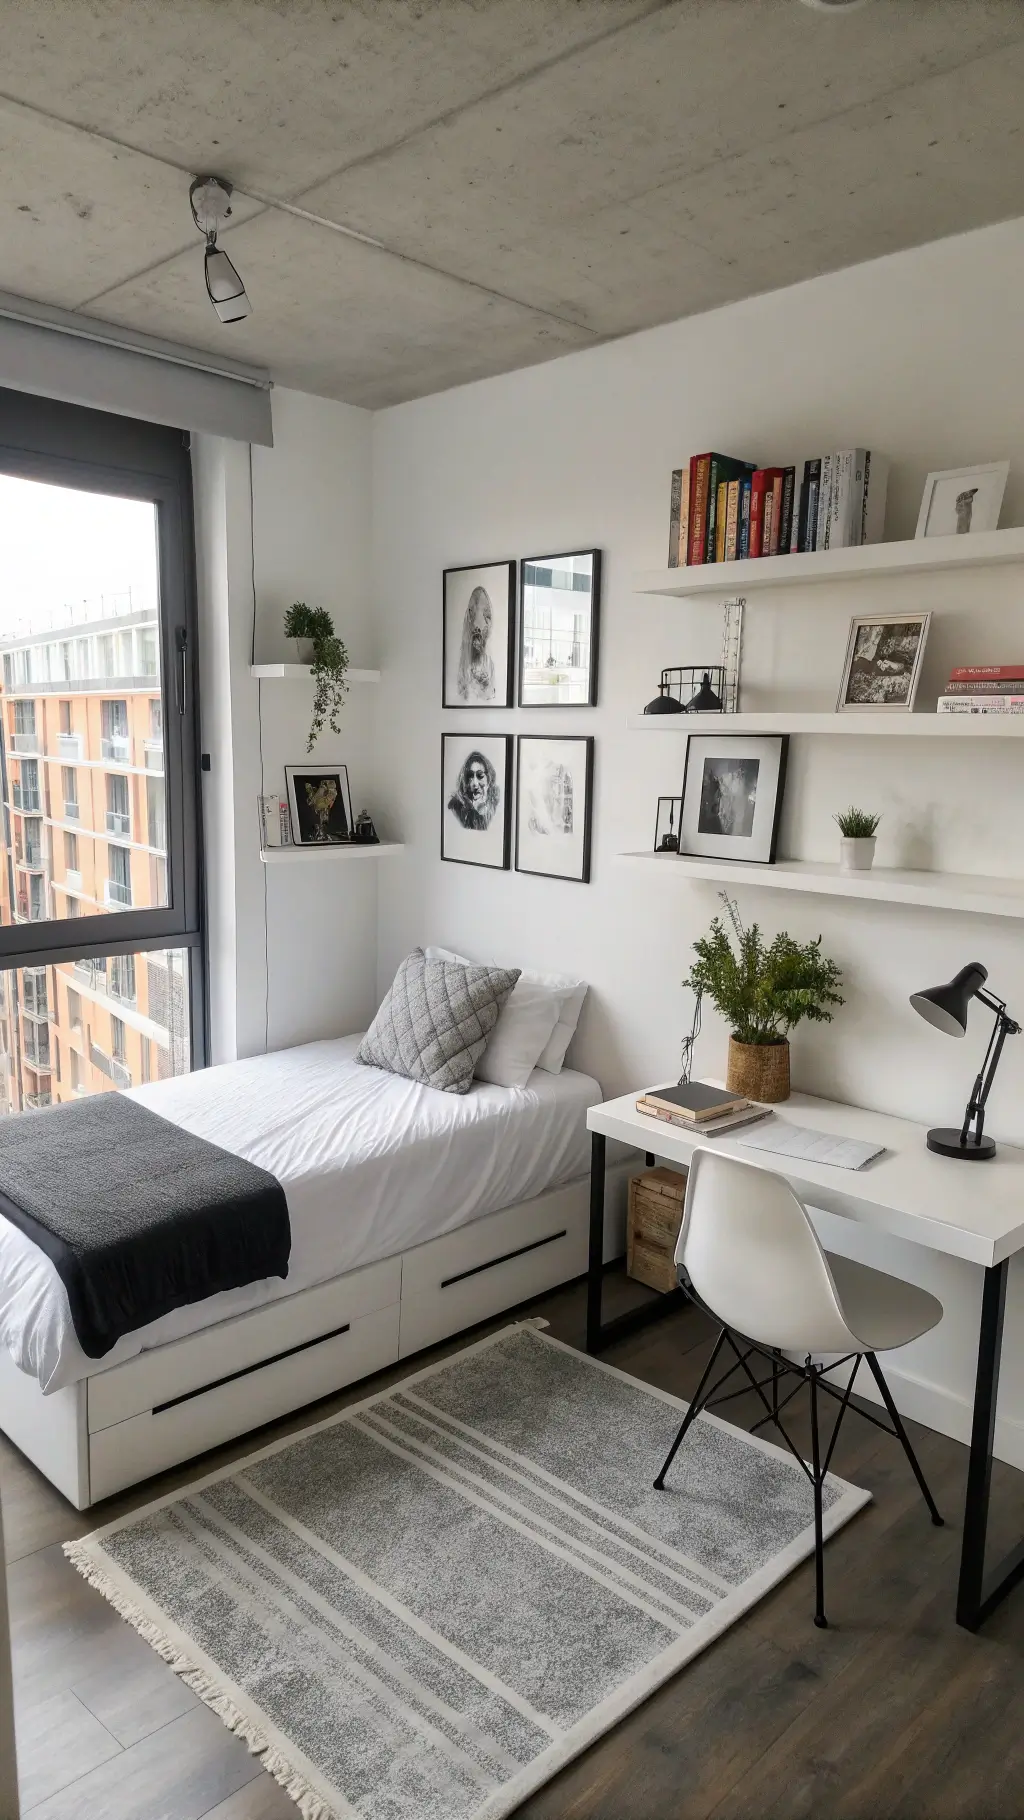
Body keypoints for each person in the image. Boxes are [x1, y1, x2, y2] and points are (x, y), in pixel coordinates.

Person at [456, 585, 496, 701]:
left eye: (487, 615)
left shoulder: (489, 664)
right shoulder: (464, 667)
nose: (485, 623)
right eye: (476, 612)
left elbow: (490, 696)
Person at [448, 749, 499, 831]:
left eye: (480, 776)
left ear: (489, 778)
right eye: (470, 776)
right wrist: (474, 811)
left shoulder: (496, 805)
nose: (475, 783)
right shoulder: (456, 806)